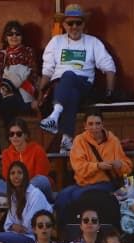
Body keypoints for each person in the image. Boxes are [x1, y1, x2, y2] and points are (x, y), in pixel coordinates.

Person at [39, 4, 118, 148]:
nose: (74, 26)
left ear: (83, 24)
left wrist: (110, 92)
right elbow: (47, 71)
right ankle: (67, 139)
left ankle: (55, 115)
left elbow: (109, 67)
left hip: (84, 84)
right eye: (70, 23)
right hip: (59, 86)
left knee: (68, 75)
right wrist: (40, 94)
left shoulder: (93, 42)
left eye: (78, 23)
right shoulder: (56, 42)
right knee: (71, 93)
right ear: (64, 24)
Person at [0, 21, 40, 151]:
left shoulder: (28, 52)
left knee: (8, 104)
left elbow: (32, 75)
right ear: (5, 37)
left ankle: (11, 143)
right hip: (4, 89)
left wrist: (14, 80)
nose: (14, 37)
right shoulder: (2, 54)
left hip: (22, 91)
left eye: (17, 34)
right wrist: (8, 84)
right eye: (10, 34)